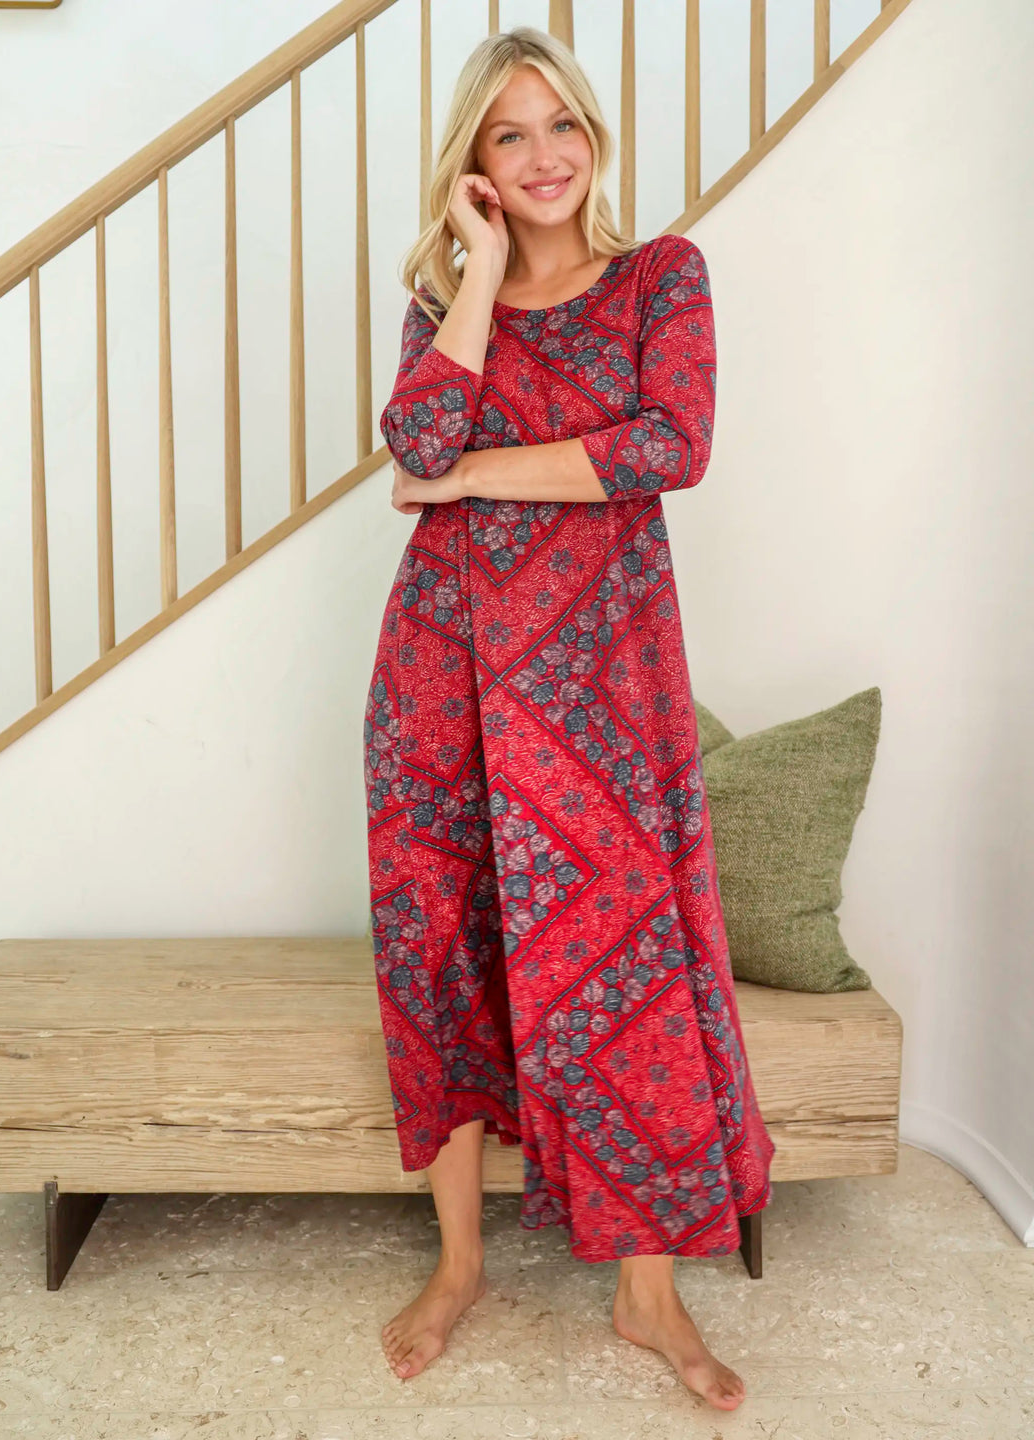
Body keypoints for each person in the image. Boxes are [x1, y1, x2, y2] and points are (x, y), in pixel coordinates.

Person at [363, 24, 774, 1412]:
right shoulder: (443, 301)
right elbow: (416, 445)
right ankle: (458, 1265)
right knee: (440, 951)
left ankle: (647, 1295)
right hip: (443, 676)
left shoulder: (663, 276)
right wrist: (479, 271)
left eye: (562, 127)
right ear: (474, 166)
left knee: (625, 967)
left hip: (601, 690)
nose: (544, 156)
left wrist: (477, 472)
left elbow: (672, 445)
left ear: (593, 138)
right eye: (509, 135)